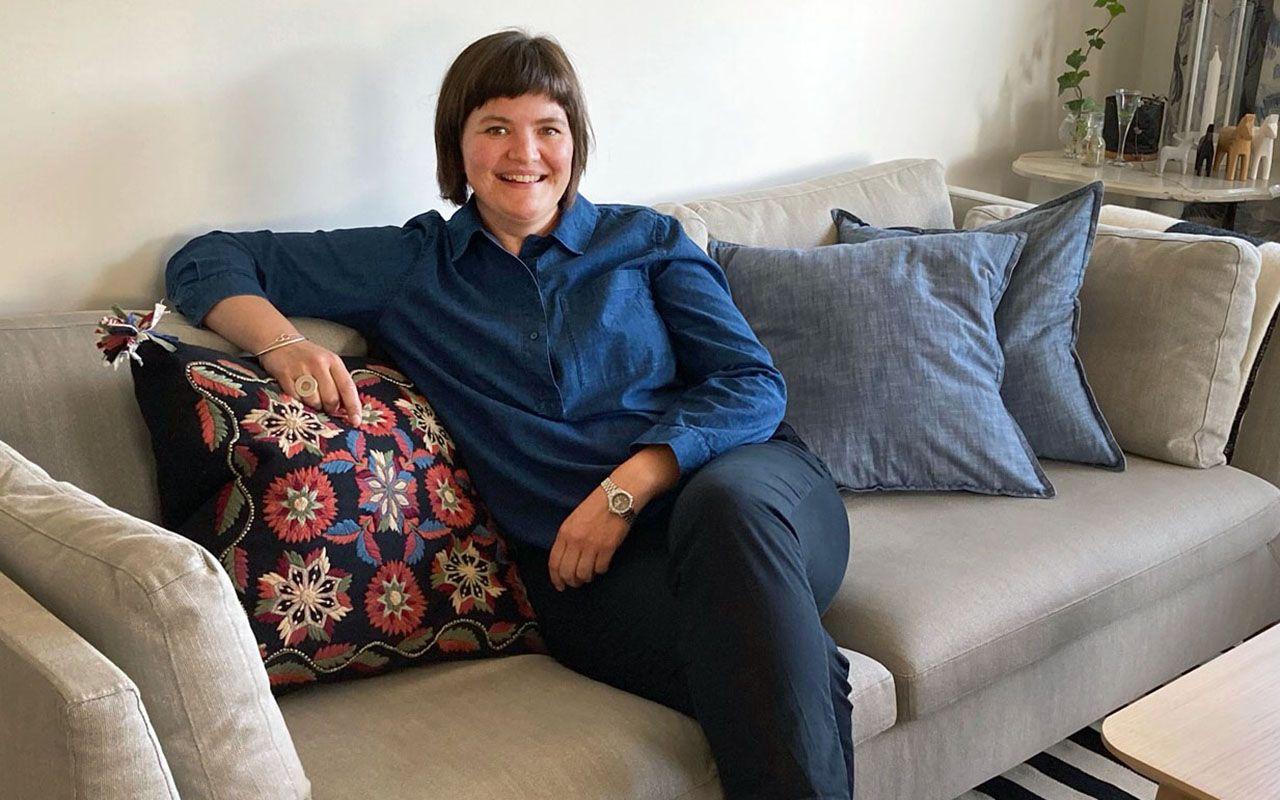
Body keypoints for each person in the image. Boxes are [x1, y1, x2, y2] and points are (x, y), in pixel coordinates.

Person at [166, 29, 854, 799]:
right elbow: (206, 257)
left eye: (548, 128)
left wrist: (626, 487)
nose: (525, 151)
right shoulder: (411, 265)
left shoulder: (645, 240)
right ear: (457, 151)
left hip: (755, 502)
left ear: (574, 143)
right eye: (496, 127)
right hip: (590, 577)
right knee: (785, 672)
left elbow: (751, 383)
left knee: (730, 519)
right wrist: (283, 346)